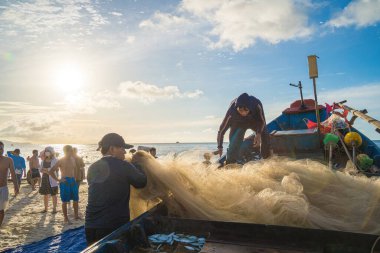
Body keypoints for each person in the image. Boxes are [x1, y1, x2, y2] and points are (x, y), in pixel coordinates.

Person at [85, 133, 147, 246]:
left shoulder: (92, 167)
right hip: (113, 226)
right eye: (122, 148)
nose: (125, 152)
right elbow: (141, 182)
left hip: (91, 225)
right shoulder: (124, 166)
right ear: (112, 149)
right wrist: (139, 165)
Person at [217, 93, 270, 164]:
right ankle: (232, 162)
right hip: (239, 123)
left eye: (246, 110)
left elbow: (262, 121)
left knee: (264, 134)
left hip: (253, 121)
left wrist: (258, 134)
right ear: (237, 108)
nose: (243, 113)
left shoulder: (257, 104)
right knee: (233, 143)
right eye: (240, 110)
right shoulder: (231, 112)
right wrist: (220, 147)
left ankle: (266, 159)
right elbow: (221, 131)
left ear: (250, 108)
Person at [49, 145, 79, 224]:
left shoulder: (73, 159)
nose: (72, 152)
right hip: (65, 181)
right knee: (65, 201)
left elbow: (75, 169)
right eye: (71, 151)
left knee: (76, 199)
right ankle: (66, 218)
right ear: (66, 151)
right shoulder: (61, 160)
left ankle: (76, 216)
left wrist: (75, 178)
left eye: (72, 150)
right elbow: (51, 171)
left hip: (73, 181)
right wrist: (58, 179)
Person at [0, 141, 19, 227]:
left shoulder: (8, 160)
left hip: (3, 188)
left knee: (1, 210)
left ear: (3, 149)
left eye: (1, 148)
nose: (0, 150)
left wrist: (16, 185)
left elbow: (13, 173)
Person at [39, 147, 59, 214]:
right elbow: (41, 169)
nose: (46, 152)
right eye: (46, 151)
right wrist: (46, 171)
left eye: (48, 151)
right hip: (44, 178)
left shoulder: (55, 160)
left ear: (51, 152)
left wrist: (46, 170)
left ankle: (54, 209)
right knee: (45, 194)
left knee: (54, 194)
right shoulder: (43, 160)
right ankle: (45, 208)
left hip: (52, 179)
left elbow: (54, 170)